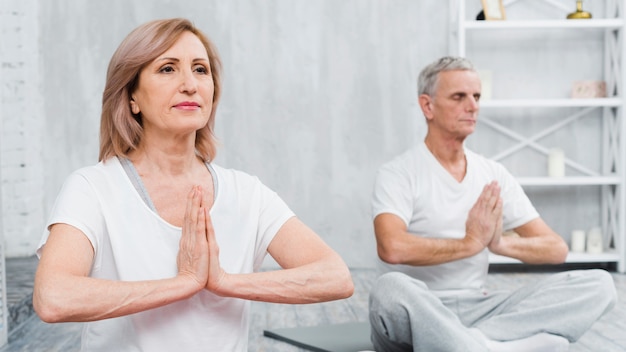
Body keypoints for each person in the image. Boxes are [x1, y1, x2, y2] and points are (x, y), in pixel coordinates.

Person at [33, 18, 354, 352]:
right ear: (132, 98)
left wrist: (224, 281)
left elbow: (335, 277)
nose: (190, 84)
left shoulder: (247, 193)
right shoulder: (92, 188)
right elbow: (53, 298)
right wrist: (184, 283)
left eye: (200, 70)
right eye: (168, 69)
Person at [368, 56, 617, 352]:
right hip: (420, 309)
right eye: (459, 96)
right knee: (390, 289)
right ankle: (502, 345)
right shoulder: (398, 173)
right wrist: (470, 243)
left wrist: (499, 243)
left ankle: (475, 344)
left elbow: (555, 249)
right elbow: (392, 248)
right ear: (427, 106)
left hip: (480, 310)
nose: (473, 106)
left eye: (476, 96)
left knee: (599, 284)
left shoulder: (492, 174)